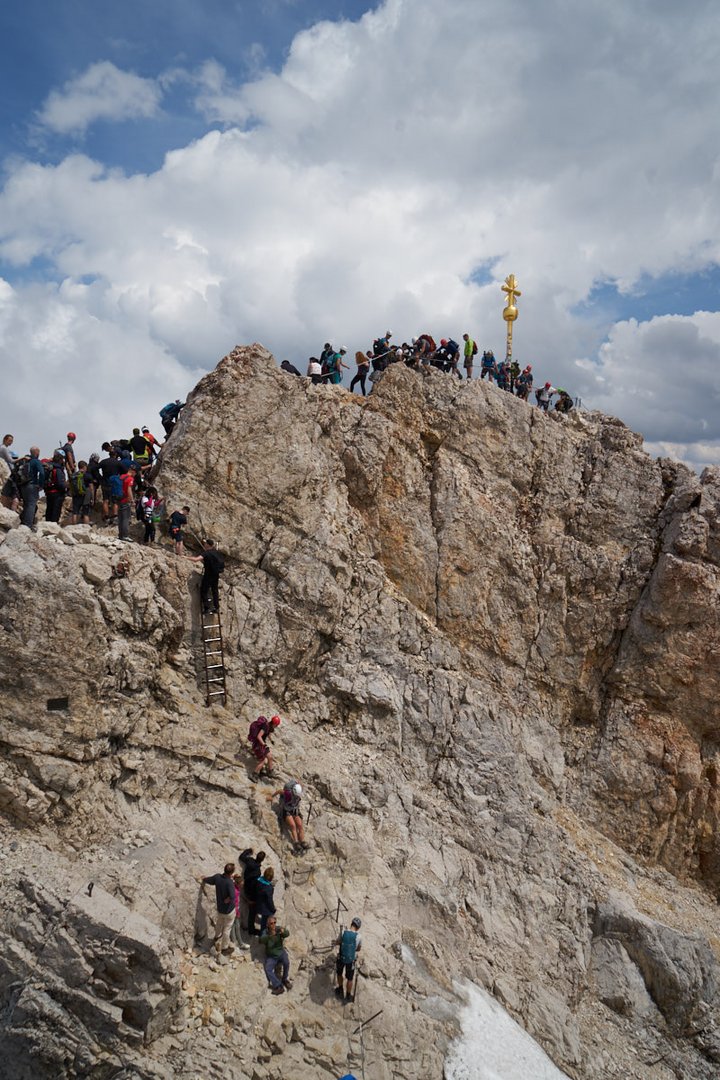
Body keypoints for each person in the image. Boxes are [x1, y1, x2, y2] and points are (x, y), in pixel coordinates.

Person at [197, 862, 237, 955]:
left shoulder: (217, 877)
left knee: (219, 923)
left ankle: (216, 937)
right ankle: (224, 948)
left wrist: (204, 878)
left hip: (220, 908)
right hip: (229, 910)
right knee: (227, 928)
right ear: (231, 872)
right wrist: (227, 900)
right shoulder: (229, 882)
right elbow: (232, 896)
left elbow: (210, 880)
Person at [269, 780, 309, 853]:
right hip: (286, 810)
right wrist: (271, 797)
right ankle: (296, 842)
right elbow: (279, 791)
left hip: (294, 809)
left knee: (300, 825)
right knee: (293, 825)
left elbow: (300, 784)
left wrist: (299, 783)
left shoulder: (299, 791)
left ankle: (302, 841)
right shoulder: (288, 794)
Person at [189, 538, 225, 614]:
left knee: (204, 591)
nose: (204, 545)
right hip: (216, 574)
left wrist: (187, 558)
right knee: (214, 591)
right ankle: (217, 608)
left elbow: (196, 559)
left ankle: (206, 608)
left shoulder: (206, 553)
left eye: (205, 544)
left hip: (208, 575)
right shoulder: (217, 553)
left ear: (208, 545)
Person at [260, 916, 292, 995]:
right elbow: (261, 940)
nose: (273, 925)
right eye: (271, 923)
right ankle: (278, 986)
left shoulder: (278, 929)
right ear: (268, 925)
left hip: (280, 952)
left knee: (286, 963)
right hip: (271, 956)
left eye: (274, 923)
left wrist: (283, 932)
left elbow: (287, 933)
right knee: (268, 969)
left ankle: (284, 979)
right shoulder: (266, 932)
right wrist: (270, 936)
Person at [239, 848, 266, 937]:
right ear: (262, 860)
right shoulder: (257, 872)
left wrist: (248, 851)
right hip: (251, 893)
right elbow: (255, 886)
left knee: (254, 910)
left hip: (246, 888)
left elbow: (241, 857)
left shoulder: (250, 861)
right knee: (252, 912)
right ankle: (251, 929)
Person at [335, 917, 362, 1003]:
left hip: (341, 957)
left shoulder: (343, 932)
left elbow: (338, 942)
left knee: (339, 973)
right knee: (350, 979)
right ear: (358, 928)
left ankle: (340, 989)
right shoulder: (359, 936)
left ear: (351, 924)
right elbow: (358, 949)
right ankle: (348, 995)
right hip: (351, 960)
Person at [248, 714, 281, 781]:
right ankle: (254, 774)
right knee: (262, 761)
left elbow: (268, 733)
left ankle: (270, 771)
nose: (276, 726)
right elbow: (259, 736)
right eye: (276, 725)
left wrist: (271, 740)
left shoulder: (270, 727)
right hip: (258, 745)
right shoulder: (266, 726)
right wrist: (264, 744)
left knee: (270, 757)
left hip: (262, 744)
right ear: (274, 723)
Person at [20, 447, 45, 528]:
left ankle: (22, 522)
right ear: (37, 453)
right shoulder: (36, 461)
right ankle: (28, 525)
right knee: (31, 505)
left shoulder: (26, 461)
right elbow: (41, 473)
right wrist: (40, 484)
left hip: (23, 485)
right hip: (32, 485)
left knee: (26, 504)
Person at [98, 446, 121, 523]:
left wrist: (99, 477)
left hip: (105, 482)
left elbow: (94, 468)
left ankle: (107, 517)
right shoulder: (117, 462)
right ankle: (115, 516)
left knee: (105, 500)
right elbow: (125, 471)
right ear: (115, 455)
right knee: (114, 501)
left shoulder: (104, 461)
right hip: (114, 483)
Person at [44, 451, 67, 523]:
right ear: (60, 460)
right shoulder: (58, 469)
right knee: (56, 511)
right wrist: (65, 488)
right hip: (57, 493)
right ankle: (54, 525)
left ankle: (47, 524)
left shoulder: (48, 467)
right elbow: (60, 483)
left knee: (49, 509)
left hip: (48, 491)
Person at [230, 875, 252, 950]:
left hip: (232, 910)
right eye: (241, 884)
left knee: (233, 926)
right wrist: (237, 913)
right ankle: (240, 943)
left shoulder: (234, 887)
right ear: (238, 884)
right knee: (237, 926)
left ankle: (234, 941)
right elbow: (235, 903)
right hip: (234, 911)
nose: (242, 886)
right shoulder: (236, 891)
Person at [254, 866, 276, 935]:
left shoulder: (259, 880)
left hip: (259, 904)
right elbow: (269, 900)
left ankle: (262, 935)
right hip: (266, 908)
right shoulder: (269, 888)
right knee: (269, 923)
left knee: (263, 921)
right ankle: (266, 937)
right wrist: (273, 909)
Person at [117, 464, 136, 541]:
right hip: (125, 500)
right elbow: (129, 489)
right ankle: (125, 535)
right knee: (126, 518)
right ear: (132, 471)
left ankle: (120, 535)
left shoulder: (121, 476)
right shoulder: (130, 478)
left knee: (120, 518)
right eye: (135, 473)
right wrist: (132, 500)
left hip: (118, 499)